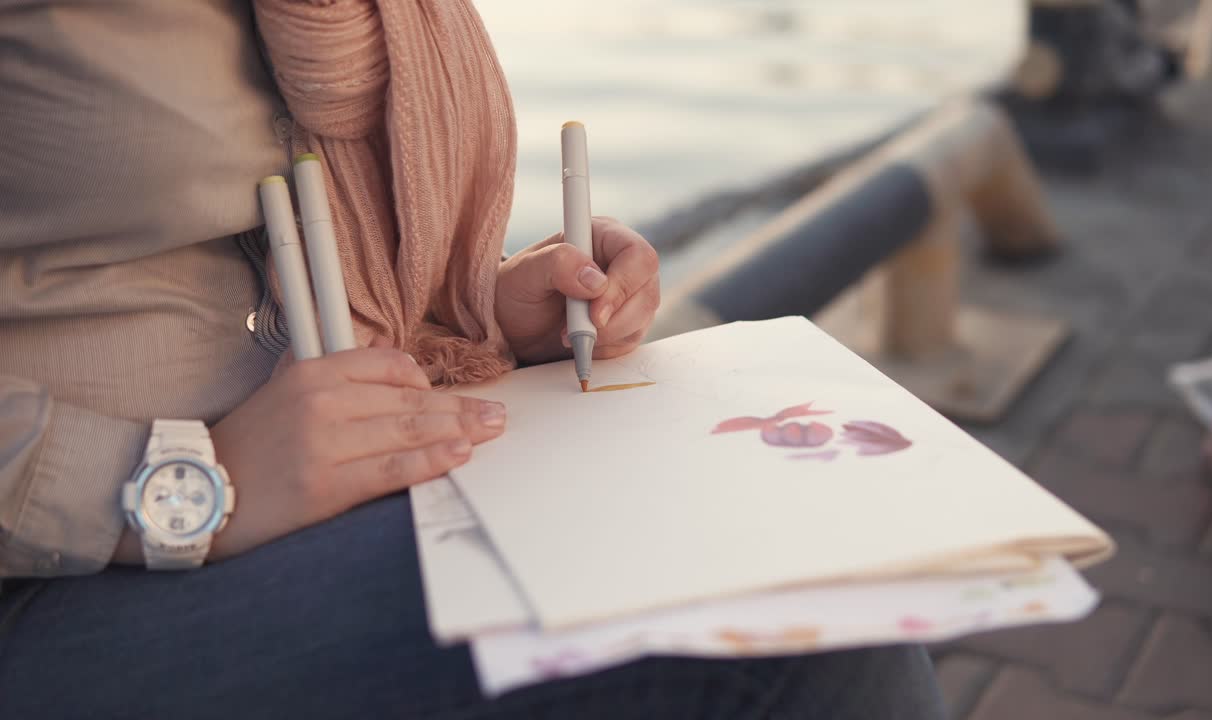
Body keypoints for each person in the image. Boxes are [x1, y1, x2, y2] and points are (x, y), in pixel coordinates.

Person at [0, 2, 948, 718]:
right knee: (789, 637)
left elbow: (285, 245)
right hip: (66, 570)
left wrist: (481, 312)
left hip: (336, 489)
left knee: (815, 571)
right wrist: (176, 481)